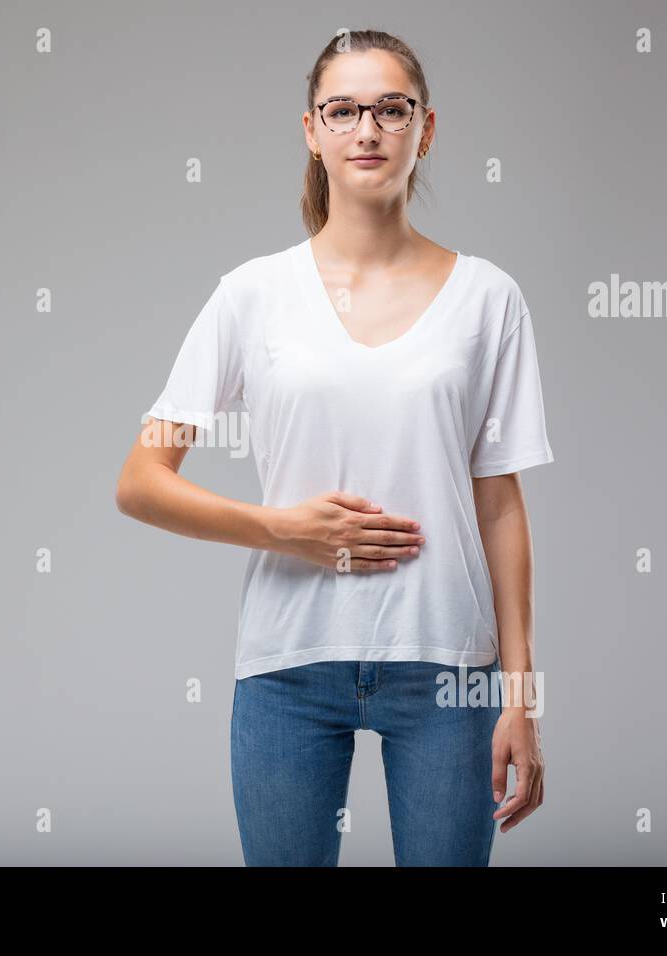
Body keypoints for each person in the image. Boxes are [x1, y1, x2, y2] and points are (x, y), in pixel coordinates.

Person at [115, 29, 552, 866]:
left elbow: (500, 504)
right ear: (312, 131)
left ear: (426, 129)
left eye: (392, 109)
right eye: (343, 110)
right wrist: (285, 529)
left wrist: (522, 696)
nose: (368, 130)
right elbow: (140, 480)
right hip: (290, 662)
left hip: (447, 666)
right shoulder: (252, 295)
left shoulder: (488, 298)